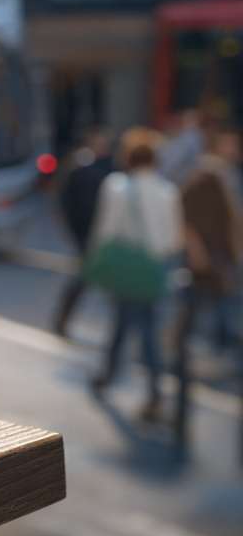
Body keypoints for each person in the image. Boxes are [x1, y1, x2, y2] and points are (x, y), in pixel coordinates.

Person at [89, 127, 181, 421]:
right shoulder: (168, 191)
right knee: (144, 327)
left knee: (128, 323)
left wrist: (93, 259)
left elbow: (105, 230)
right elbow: (174, 240)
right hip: (154, 269)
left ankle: (141, 389)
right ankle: (144, 388)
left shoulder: (116, 186)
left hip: (125, 267)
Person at [180, 126, 243, 354]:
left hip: (224, 256)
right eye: (230, 144)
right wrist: (196, 250)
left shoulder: (227, 174)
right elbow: (184, 215)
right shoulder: (204, 176)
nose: (235, 150)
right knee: (195, 319)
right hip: (209, 257)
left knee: (221, 316)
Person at [53, 128, 114, 336]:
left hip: (100, 230)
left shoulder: (106, 166)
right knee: (84, 278)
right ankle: (62, 318)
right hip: (87, 230)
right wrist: (73, 229)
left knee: (101, 281)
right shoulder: (80, 167)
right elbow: (67, 201)